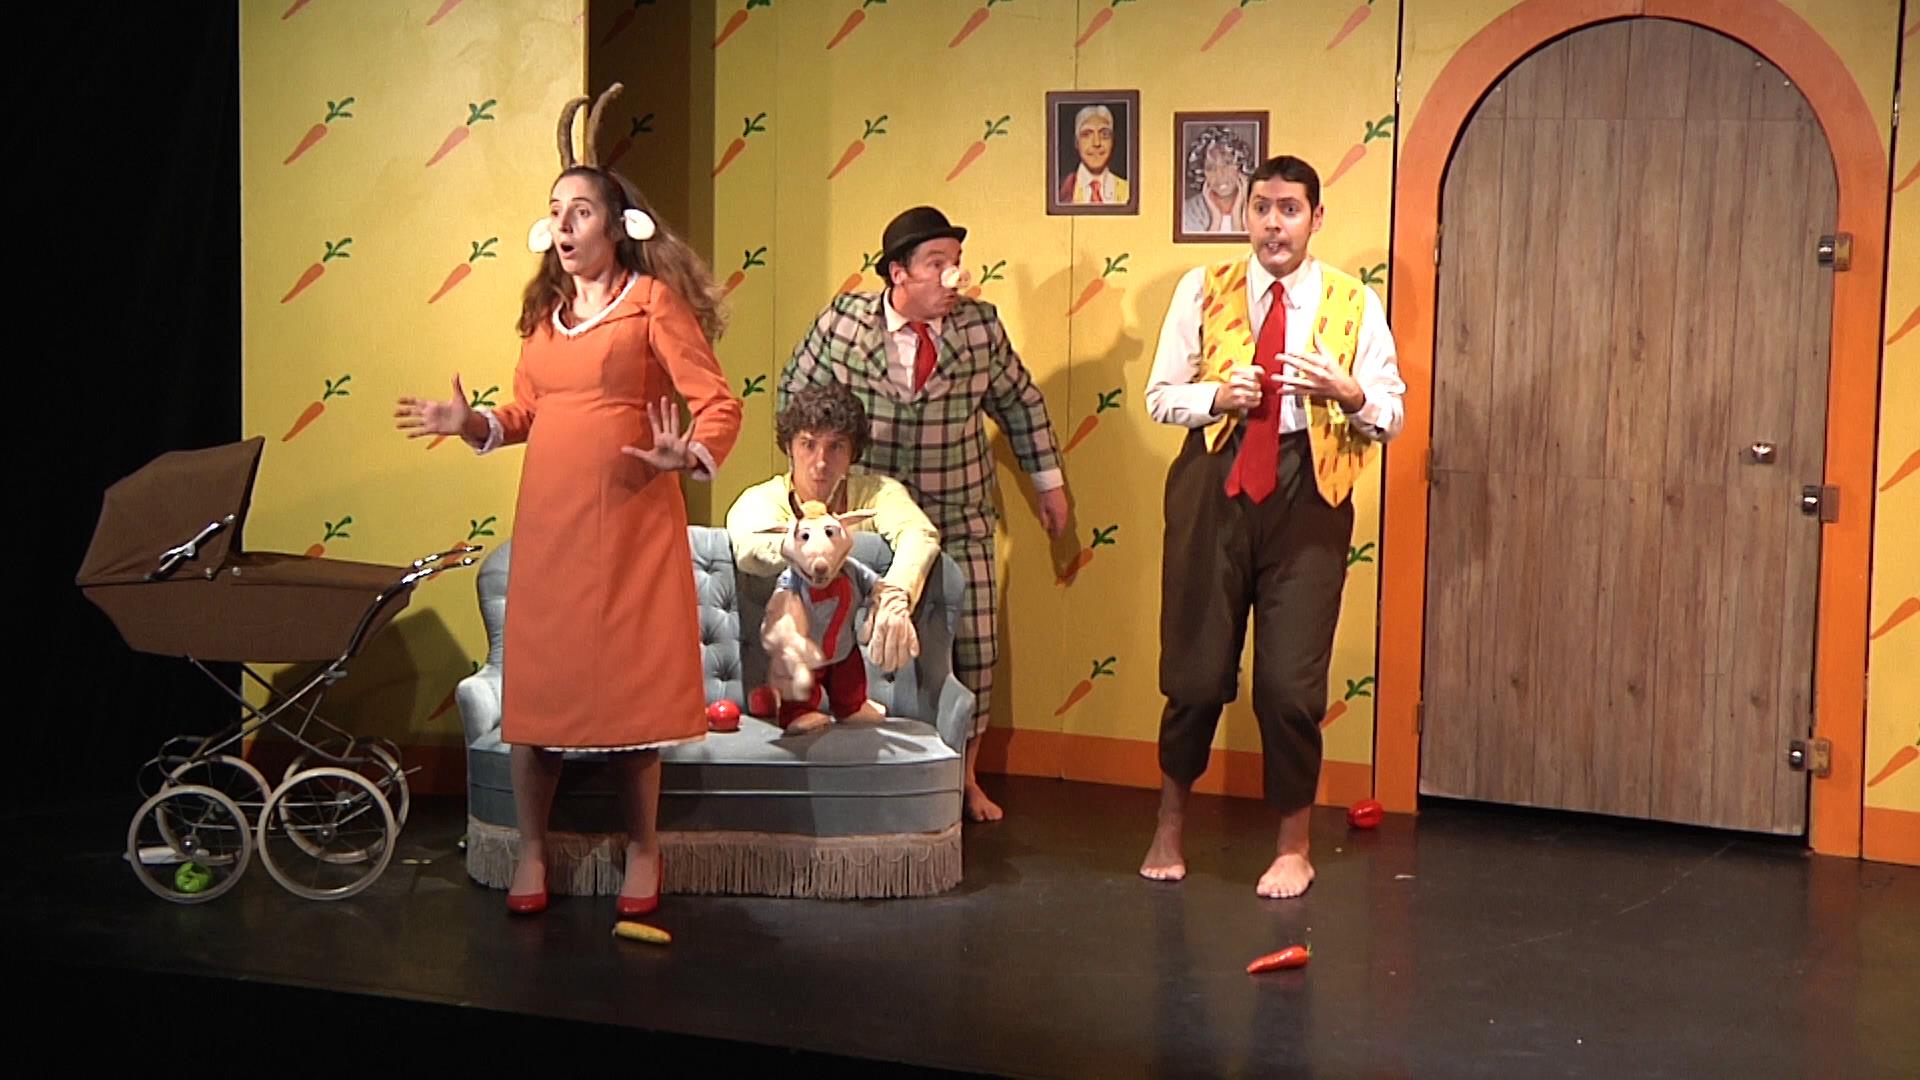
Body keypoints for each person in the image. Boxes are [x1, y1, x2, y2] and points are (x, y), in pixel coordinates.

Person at [395, 85, 740, 917]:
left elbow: (718, 403)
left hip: (631, 524)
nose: (563, 224)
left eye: (579, 211)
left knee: (630, 695)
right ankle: (532, 851)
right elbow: (524, 412)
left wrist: (687, 453)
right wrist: (470, 422)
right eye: (555, 212)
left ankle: (645, 851)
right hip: (551, 529)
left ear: (617, 226)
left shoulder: (652, 303)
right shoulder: (544, 317)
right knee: (539, 695)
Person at [1140, 155, 1405, 899]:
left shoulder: (1354, 302)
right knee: (1194, 675)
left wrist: (1350, 393)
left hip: (1308, 494)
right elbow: (1160, 397)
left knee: (1290, 688)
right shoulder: (1203, 288)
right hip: (1214, 483)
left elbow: (1390, 412)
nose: (1273, 224)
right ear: (1245, 215)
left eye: (1289, 209)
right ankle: (1168, 826)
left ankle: (1294, 846)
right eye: (1261, 208)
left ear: (1316, 218)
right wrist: (1215, 397)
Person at [781, 205, 1070, 822]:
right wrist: (810, 486)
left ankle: (965, 777)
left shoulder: (978, 328)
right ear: (898, 273)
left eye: (955, 262)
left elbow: (1020, 404)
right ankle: (871, 771)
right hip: (867, 514)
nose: (953, 276)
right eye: (936, 263)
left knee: (976, 646)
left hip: (959, 511)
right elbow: (795, 398)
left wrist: (1049, 485)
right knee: (860, 642)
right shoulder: (844, 323)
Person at [726, 382, 943, 680]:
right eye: (808, 445)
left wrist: (895, 595)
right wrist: (799, 546)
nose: (821, 462)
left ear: (853, 452)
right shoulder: (761, 500)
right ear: (789, 448)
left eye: (836, 446)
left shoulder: (878, 494)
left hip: (854, 665)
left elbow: (919, 533)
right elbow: (748, 546)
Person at [1181, 125, 1256, 235]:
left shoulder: (1257, 205)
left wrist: (1237, 215)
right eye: (1210, 168)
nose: (1220, 174)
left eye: (1227, 163)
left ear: (1240, 165)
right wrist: (1216, 220)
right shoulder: (1189, 210)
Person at [1060, 104, 1130, 205]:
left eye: (1104, 134)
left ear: (1113, 141)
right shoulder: (1061, 190)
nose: (1096, 143)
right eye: (1086, 134)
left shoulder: (1128, 191)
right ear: (1076, 142)